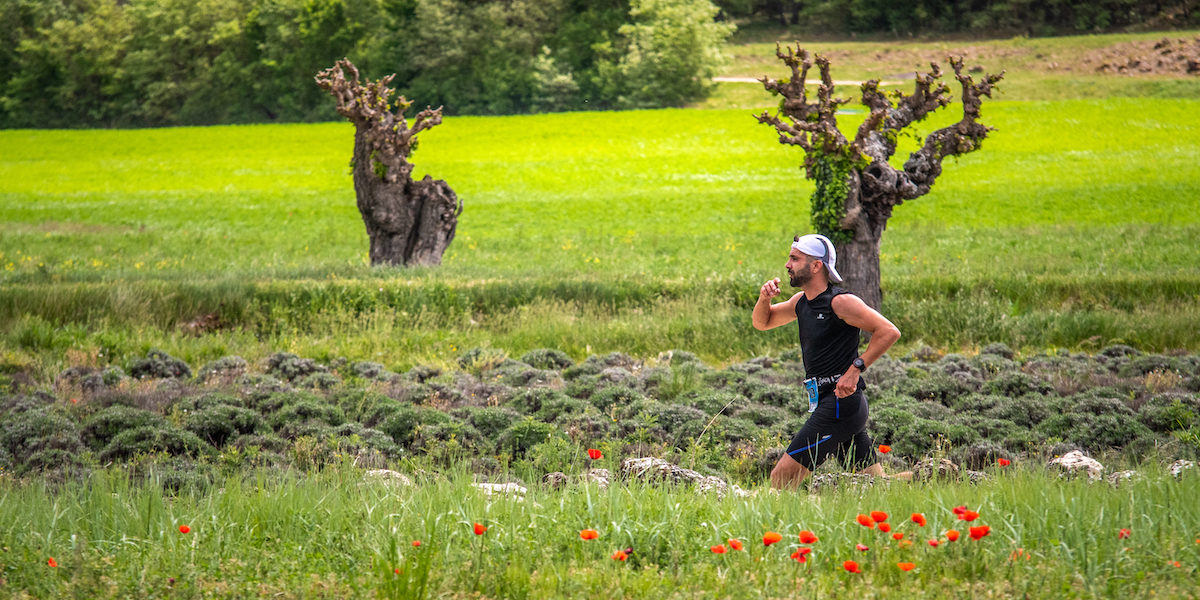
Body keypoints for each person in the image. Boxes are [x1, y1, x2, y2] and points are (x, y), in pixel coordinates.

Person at [752, 234, 903, 489]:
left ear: (816, 266)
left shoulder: (840, 302)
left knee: (781, 479)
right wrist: (764, 299)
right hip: (828, 401)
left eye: (794, 258)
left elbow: (889, 331)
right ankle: (933, 477)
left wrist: (856, 369)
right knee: (879, 487)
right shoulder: (801, 302)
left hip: (841, 405)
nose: (787, 264)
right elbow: (762, 322)